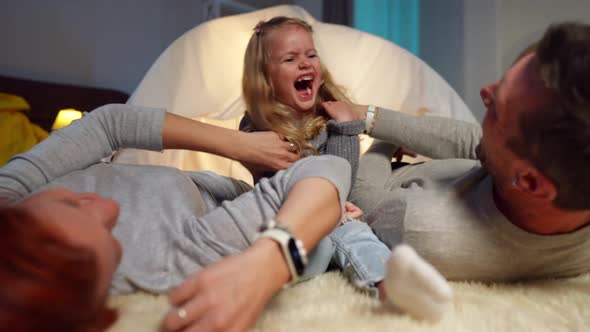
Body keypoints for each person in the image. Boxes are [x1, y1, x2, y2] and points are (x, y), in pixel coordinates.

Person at [0, 103, 353, 332]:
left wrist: (238, 144)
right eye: (113, 241)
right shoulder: (166, 263)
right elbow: (327, 168)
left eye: (72, 203)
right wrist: (272, 259)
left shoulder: (9, 193)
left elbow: (109, 124)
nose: (110, 209)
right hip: (269, 202)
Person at [321, 21, 590, 283]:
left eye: (496, 108)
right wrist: (368, 116)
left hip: (381, 184)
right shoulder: (547, 177)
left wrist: (383, 144)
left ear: (529, 182)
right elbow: (474, 140)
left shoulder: (421, 227)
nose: (485, 92)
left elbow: (364, 203)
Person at [238, 16, 453, 322]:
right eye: (290, 58)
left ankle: (391, 286)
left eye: (311, 55)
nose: (305, 64)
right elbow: (281, 185)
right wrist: (329, 207)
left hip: (335, 220)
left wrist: (345, 129)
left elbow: (343, 176)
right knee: (317, 241)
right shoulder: (255, 129)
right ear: (265, 77)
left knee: (358, 235)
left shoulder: (327, 118)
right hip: (288, 223)